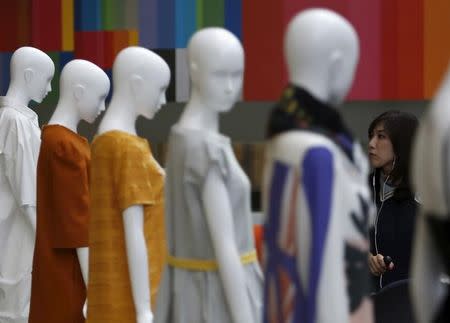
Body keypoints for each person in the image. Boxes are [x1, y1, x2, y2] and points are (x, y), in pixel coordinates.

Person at [367, 110, 419, 291]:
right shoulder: (360, 189)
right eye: (371, 136)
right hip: (371, 304)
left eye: (381, 137)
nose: (371, 144)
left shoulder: (431, 190)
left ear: (401, 143)